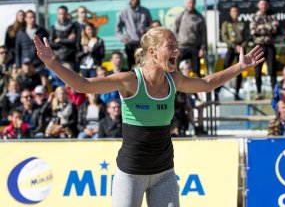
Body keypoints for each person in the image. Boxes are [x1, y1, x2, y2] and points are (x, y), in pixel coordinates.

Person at [33, 26, 264, 207]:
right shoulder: (131, 80)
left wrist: (239, 67)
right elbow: (82, 85)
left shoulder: (174, 80)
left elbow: (205, 84)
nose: (177, 51)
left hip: (164, 174)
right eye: (170, 46)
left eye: (177, 46)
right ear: (152, 52)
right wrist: (52, 63)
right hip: (131, 175)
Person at [216, 4, 248, 100]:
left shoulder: (242, 23)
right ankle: (217, 92)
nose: (235, 13)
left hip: (241, 50)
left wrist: (241, 47)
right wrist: (234, 46)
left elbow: (246, 37)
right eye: (233, 11)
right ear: (230, 13)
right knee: (225, 70)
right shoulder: (226, 23)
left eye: (237, 11)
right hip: (231, 48)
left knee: (240, 72)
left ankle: (237, 94)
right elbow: (224, 37)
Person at [250, 0, 279, 100]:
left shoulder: (272, 15)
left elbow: (275, 29)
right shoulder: (254, 17)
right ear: (258, 5)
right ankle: (258, 92)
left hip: (270, 46)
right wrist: (268, 28)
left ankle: (274, 93)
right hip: (258, 46)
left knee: (272, 70)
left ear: (268, 5)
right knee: (257, 70)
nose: (264, 6)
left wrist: (261, 28)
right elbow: (253, 31)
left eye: (265, 4)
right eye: (262, 4)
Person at [116, 0, 152, 70]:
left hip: (143, 43)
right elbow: (117, 29)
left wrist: (146, 31)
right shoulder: (123, 12)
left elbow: (151, 27)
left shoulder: (145, 11)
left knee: (145, 66)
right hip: (130, 44)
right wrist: (123, 38)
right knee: (132, 68)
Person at [174, 0, 207, 77]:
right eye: (189, 3)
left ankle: (196, 89)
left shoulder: (199, 17)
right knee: (179, 71)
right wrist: (175, 46)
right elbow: (174, 31)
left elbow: (203, 34)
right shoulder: (180, 16)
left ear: (195, 4)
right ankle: (180, 90)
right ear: (185, 3)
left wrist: (202, 48)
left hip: (195, 48)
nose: (191, 5)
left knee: (196, 71)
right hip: (181, 47)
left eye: (192, 3)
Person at [49, 5, 78, 70]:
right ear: (57, 15)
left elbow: (73, 42)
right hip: (57, 58)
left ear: (67, 14)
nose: (62, 16)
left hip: (69, 58)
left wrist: (60, 40)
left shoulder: (73, 26)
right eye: (60, 14)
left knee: (70, 79)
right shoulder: (53, 28)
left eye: (64, 14)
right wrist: (67, 41)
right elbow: (51, 43)